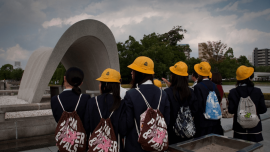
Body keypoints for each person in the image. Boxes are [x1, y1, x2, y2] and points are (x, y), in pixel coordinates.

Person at [122, 56, 170, 152]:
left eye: (133, 70)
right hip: (157, 145)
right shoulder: (163, 94)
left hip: (136, 145)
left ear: (140, 73)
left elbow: (128, 123)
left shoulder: (131, 94)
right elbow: (167, 120)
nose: (131, 72)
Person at [84, 68, 126, 151]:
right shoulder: (122, 103)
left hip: (96, 147)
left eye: (100, 82)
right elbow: (123, 129)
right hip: (115, 147)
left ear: (103, 85)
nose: (99, 85)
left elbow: (86, 125)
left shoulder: (92, 102)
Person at [228, 65, 267, 142]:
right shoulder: (257, 91)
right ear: (250, 77)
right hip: (255, 128)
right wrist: (249, 114)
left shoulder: (233, 92)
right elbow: (263, 110)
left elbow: (231, 110)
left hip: (239, 128)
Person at [164, 61, 198, 144]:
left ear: (173, 76)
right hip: (188, 132)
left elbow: (165, 114)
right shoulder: (191, 92)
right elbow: (195, 110)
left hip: (171, 134)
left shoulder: (167, 92)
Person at [193, 62, 223, 137]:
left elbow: (198, 105)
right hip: (215, 121)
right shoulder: (214, 85)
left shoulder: (198, 87)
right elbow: (218, 99)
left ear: (199, 74)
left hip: (203, 122)